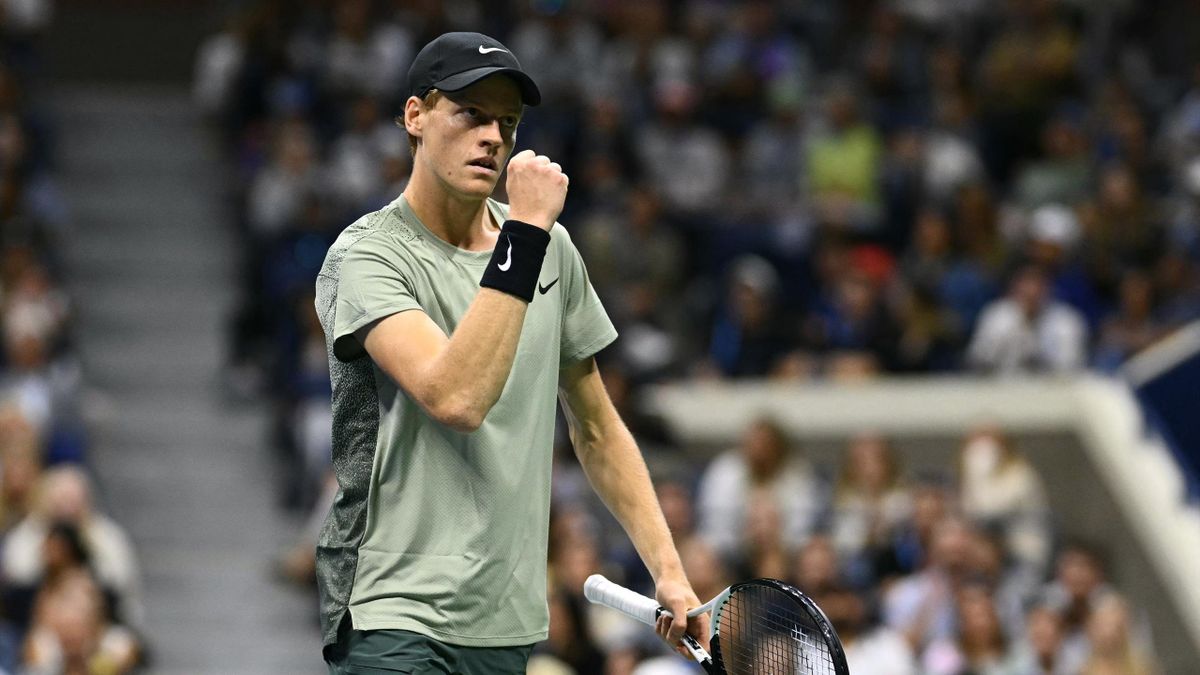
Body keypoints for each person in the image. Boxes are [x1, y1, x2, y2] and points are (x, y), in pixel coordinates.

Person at [315, 32, 706, 674]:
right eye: (470, 113)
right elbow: (456, 398)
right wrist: (523, 233)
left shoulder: (552, 250)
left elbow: (597, 429)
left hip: (507, 623)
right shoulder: (367, 257)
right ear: (415, 116)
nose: (492, 137)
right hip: (393, 613)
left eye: (507, 122)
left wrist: (669, 570)